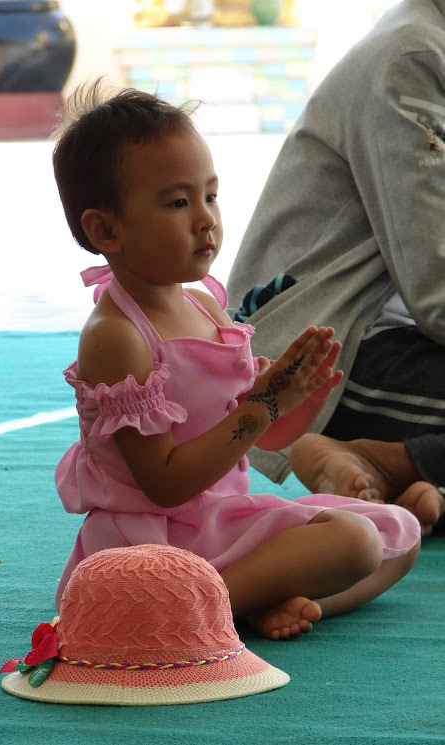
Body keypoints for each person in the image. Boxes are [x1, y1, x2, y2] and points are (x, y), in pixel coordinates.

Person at [52, 80, 420, 641]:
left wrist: (292, 398)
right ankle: (192, 607)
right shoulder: (118, 335)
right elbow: (165, 487)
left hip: (222, 524)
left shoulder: (205, 304)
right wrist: (262, 406)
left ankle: (243, 600)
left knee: (399, 533)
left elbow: (261, 440)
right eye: (178, 202)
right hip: (155, 546)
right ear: (106, 229)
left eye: (211, 195)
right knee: (357, 543)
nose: (205, 219)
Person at [226, 0, 445, 536]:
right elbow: (437, 288)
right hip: (327, 352)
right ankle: (392, 459)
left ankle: (410, 469)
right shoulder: (413, 58)